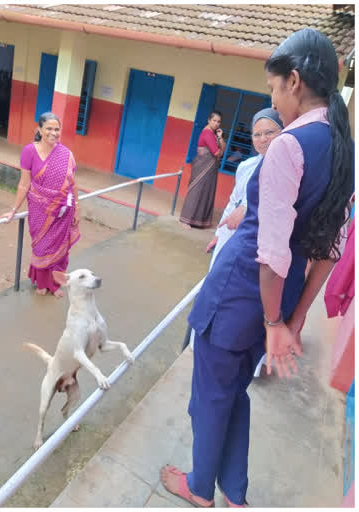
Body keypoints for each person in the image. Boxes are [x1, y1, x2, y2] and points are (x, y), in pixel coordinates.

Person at [161, 28, 354, 507]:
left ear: (293, 81)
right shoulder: (342, 148)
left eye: (272, 88)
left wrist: (273, 323)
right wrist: (294, 314)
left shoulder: (291, 145)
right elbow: (329, 246)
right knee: (234, 392)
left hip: (241, 292)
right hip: (279, 295)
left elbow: (271, 249)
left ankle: (200, 487)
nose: (273, 100)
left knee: (209, 394)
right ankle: (235, 493)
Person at [0, 112, 80, 298]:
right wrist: (13, 210)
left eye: (57, 129)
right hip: (39, 211)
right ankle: (42, 283)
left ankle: (55, 284)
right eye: (49, 129)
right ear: (39, 130)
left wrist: (77, 208)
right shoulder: (29, 151)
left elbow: (72, 183)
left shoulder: (66, 154)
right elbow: (24, 183)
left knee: (59, 249)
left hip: (64, 211)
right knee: (42, 247)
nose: (53, 133)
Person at [206, 108, 284, 268]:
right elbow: (233, 201)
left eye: (269, 132)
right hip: (229, 234)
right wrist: (218, 235)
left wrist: (247, 208)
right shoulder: (246, 166)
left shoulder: (286, 172)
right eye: (257, 135)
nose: (263, 139)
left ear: (283, 133)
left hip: (254, 244)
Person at [180, 111, 227, 228]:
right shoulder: (207, 133)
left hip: (210, 168)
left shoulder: (214, 134)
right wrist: (220, 152)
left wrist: (220, 138)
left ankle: (199, 220)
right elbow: (217, 153)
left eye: (219, 122)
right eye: (214, 120)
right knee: (196, 191)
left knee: (206, 192)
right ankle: (186, 220)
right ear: (209, 120)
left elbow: (222, 149)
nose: (216, 124)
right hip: (202, 167)